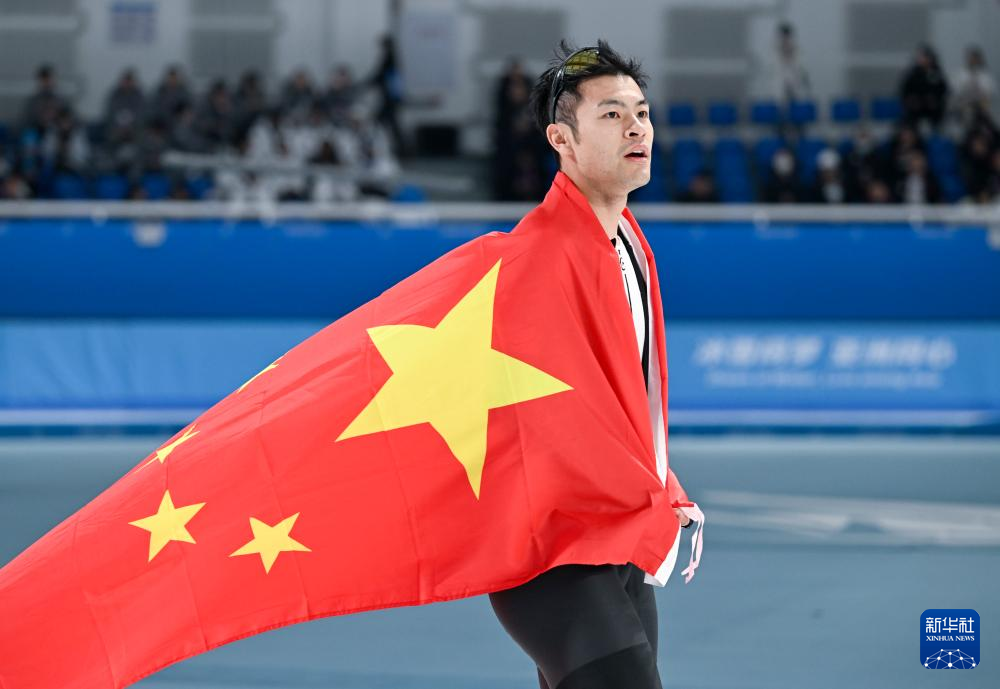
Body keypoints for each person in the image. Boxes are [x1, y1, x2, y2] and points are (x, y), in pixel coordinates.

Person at [487, 40, 700, 689]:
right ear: (562, 139)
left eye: (642, 112)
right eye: (611, 114)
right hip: (553, 549)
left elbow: (614, 400)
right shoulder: (539, 256)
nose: (637, 127)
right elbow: (531, 415)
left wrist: (660, 480)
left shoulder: (627, 242)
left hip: (615, 534)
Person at [900, 44, 949, 131]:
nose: (922, 60)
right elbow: (904, 90)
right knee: (911, 113)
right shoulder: (913, 73)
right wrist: (911, 99)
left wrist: (935, 98)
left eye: (925, 57)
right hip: (916, 105)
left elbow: (943, 89)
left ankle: (935, 132)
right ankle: (913, 132)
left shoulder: (936, 72)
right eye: (921, 57)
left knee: (937, 110)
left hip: (932, 106)